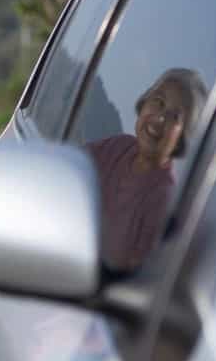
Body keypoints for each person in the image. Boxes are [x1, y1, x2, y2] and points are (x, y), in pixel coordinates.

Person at [85, 67, 208, 272]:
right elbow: (63, 170)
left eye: (175, 116)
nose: (160, 119)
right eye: (158, 102)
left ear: (183, 138)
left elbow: (134, 276)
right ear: (143, 104)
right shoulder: (116, 147)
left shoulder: (163, 199)